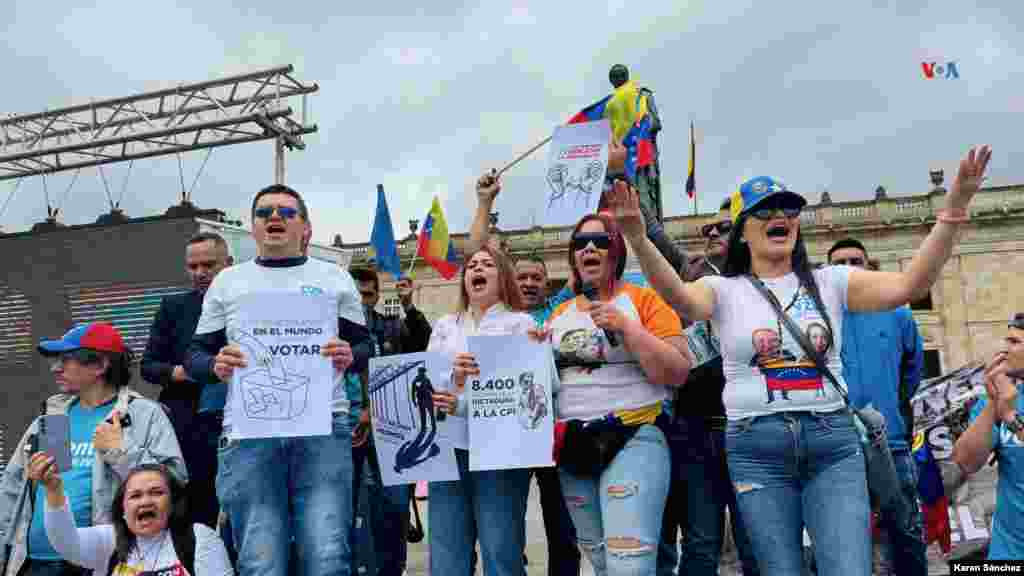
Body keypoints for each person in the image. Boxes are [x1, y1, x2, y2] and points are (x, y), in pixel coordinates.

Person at [609, 144, 992, 575]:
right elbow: (678, 297)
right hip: (755, 448)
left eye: (789, 209)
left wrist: (954, 208)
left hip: (832, 442)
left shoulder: (832, 282)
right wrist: (638, 238)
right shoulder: (724, 291)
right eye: (765, 210)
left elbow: (910, 283)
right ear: (743, 231)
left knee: (849, 568)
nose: (781, 216)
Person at [184, 184, 371, 576]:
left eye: (286, 212)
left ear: (305, 227)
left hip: (323, 427)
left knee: (327, 554)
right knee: (260, 557)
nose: (274, 218)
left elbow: (365, 346)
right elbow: (195, 356)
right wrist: (214, 364)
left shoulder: (335, 278)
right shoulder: (227, 282)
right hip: (250, 434)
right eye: (264, 212)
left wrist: (351, 355)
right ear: (251, 228)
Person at [543, 211, 691, 576]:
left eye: (600, 241)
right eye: (580, 243)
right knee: (603, 564)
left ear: (617, 250)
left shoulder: (645, 301)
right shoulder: (557, 312)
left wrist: (628, 328)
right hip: (573, 445)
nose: (589, 248)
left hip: (634, 436)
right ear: (573, 256)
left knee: (630, 566)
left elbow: (678, 370)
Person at [0, 322, 187, 576]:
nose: (56, 368)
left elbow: (174, 482)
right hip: (32, 561)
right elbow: (11, 490)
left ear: (100, 365)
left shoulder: (142, 414)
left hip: (92, 562)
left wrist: (120, 451)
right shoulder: (54, 417)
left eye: (67, 360)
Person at [657, 198, 759, 576]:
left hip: (748, 429)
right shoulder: (692, 272)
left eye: (723, 228)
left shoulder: (763, 281)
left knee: (755, 541)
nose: (713, 234)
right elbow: (651, 236)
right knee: (701, 542)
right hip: (695, 430)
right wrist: (620, 176)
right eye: (707, 231)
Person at [426, 245, 535, 576]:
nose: (477, 269)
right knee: (446, 551)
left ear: (502, 277)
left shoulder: (521, 324)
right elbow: (427, 381)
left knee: (501, 548)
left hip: (500, 453)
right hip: (448, 448)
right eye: (472, 265)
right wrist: (452, 377)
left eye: (487, 264)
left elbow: (534, 389)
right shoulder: (445, 325)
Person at [827, 238, 926, 576]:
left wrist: (890, 407)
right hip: (838, 446)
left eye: (857, 261)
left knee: (906, 532)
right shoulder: (821, 317)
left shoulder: (898, 312)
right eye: (841, 263)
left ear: (869, 266)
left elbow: (913, 369)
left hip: (892, 442)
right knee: (844, 539)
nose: (850, 268)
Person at [141, 232, 234, 529]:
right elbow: (148, 367)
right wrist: (185, 371)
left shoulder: (249, 305)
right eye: (193, 267)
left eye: (209, 265)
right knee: (192, 515)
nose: (200, 273)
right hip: (187, 426)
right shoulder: (174, 306)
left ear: (229, 264)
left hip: (240, 420)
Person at [347, 268, 431, 576]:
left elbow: (426, 345)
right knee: (346, 509)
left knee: (394, 509)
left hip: (391, 429)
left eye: (368, 294)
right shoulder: (329, 328)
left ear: (377, 296)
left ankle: (394, 569)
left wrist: (409, 305)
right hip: (347, 428)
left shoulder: (392, 326)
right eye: (356, 294)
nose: (361, 301)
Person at [28, 461, 232, 576]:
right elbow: (66, 542)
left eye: (156, 492)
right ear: (123, 510)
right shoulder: (109, 541)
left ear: (172, 504)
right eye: (135, 496)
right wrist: (54, 489)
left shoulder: (198, 538)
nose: (146, 501)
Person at [952, 313, 1024, 560]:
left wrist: (1012, 418)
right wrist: (994, 402)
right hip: (1009, 552)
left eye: (1014, 342)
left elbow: (1012, 419)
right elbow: (966, 462)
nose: (1004, 350)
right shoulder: (1004, 396)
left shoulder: (1011, 408)